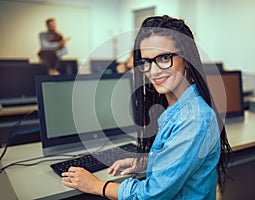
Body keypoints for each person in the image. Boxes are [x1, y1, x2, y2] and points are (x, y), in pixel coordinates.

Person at [61, 15, 232, 199]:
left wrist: (97, 185)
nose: (154, 71)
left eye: (164, 58)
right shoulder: (177, 107)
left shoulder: (194, 119)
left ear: (187, 59)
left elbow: (151, 195)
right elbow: (181, 158)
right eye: (146, 61)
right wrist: (148, 162)